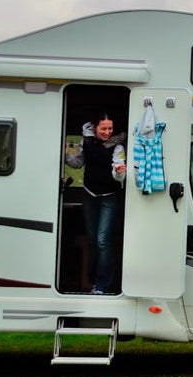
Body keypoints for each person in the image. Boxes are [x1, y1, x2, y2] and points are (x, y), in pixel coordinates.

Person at [64, 113, 126, 294]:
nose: (107, 132)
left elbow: (118, 173)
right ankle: (91, 281)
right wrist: (66, 154)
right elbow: (78, 164)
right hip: (89, 193)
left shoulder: (118, 147)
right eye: (103, 128)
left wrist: (120, 172)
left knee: (102, 240)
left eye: (110, 129)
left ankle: (103, 285)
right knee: (92, 240)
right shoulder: (87, 142)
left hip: (109, 196)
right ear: (94, 127)